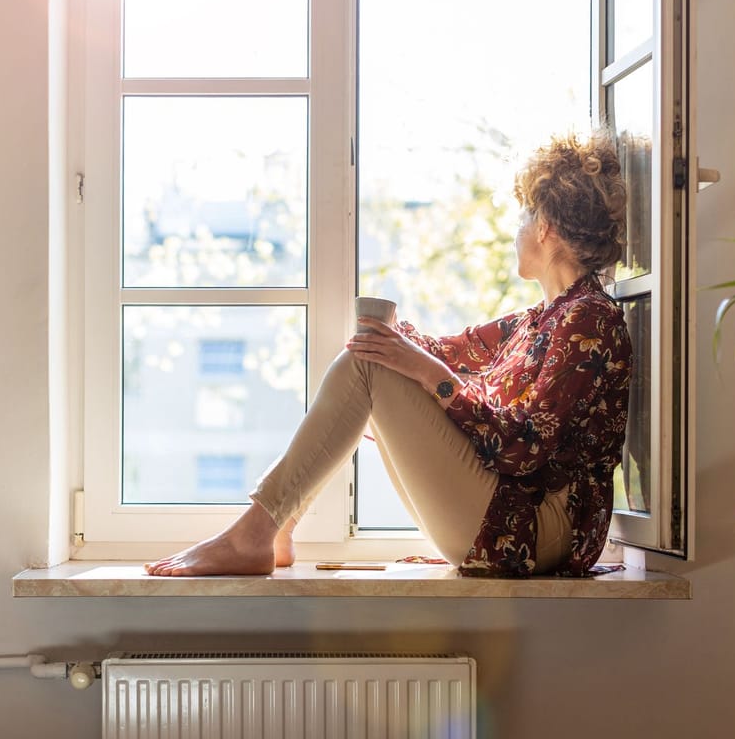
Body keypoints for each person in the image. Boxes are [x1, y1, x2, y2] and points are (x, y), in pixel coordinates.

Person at [145, 130, 633, 578]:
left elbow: (522, 447)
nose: (516, 229)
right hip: (510, 519)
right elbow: (443, 350)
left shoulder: (588, 319)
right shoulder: (540, 319)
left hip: (535, 531)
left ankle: (257, 532)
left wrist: (418, 369)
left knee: (370, 367)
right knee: (373, 363)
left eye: (522, 215)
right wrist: (387, 340)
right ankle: (276, 526)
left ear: (545, 225)